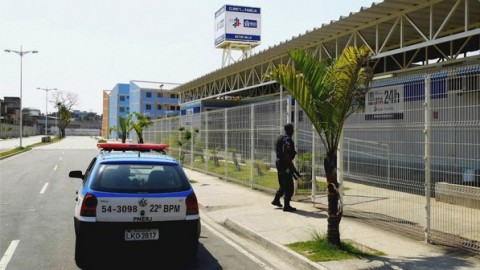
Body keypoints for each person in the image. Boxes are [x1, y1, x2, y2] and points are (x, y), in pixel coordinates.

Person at [272, 123, 301, 212]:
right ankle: (286, 206)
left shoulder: (280, 138)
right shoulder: (288, 140)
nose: (293, 131)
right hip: (285, 164)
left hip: (278, 163)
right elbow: (287, 156)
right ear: (290, 130)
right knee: (289, 186)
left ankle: (276, 200)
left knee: (283, 183)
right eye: (292, 129)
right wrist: (293, 169)